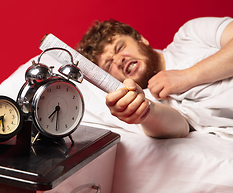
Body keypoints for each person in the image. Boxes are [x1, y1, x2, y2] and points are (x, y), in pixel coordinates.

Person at [76, 17, 233, 139]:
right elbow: (180, 128)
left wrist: (186, 77)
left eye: (120, 47)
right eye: (109, 65)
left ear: (141, 39)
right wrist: (143, 112)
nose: (118, 60)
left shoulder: (190, 35)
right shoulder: (151, 101)